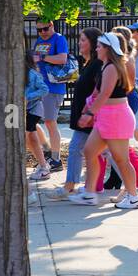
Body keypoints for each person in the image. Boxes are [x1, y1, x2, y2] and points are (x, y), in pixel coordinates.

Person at [71, 32, 138, 208]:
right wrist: (87, 108)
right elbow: (96, 92)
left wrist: (89, 114)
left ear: (108, 49)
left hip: (116, 117)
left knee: (121, 159)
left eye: (99, 46)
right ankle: (89, 193)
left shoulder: (111, 68)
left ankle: (133, 196)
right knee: (89, 151)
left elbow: (105, 94)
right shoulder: (105, 66)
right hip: (107, 116)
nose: (96, 48)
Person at [49, 28, 102, 201]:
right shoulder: (87, 63)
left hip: (90, 118)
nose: (79, 43)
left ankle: (71, 186)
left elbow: (99, 91)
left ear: (93, 43)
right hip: (85, 117)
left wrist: (89, 113)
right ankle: (137, 184)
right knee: (113, 154)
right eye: (80, 39)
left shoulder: (97, 65)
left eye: (83, 40)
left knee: (76, 149)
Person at [32, 19, 69, 171]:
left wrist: (41, 57)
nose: (42, 33)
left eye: (45, 29)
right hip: (39, 87)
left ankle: (56, 159)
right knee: (35, 123)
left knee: (50, 122)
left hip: (53, 88)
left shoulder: (59, 39)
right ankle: (48, 153)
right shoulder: (40, 41)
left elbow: (62, 58)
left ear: (52, 25)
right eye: (39, 30)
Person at [25, 51, 52, 187]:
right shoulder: (17, 73)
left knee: (23, 138)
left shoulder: (32, 74)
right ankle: (43, 166)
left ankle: (43, 167)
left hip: (33, 110)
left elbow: (44, 89)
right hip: (22, 110)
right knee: (33, 139)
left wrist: (27, 96)